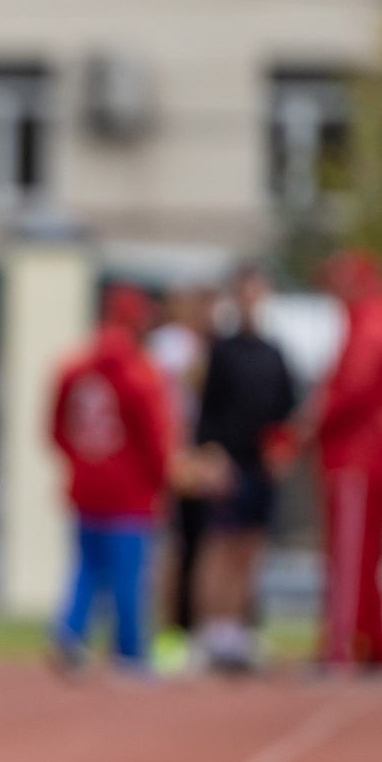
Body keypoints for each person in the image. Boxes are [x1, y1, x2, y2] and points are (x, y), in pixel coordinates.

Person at [295, 249, 382, 673]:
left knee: (350, 553)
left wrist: (312, 426)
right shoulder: (381, 318)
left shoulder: (370, 321)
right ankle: (373, 643)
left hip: (357, 456)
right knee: (366, 554)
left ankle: (342, 645)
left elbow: (354, 388)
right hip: (373, 454)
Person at [48, 283, 173, 673]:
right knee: (128, 575)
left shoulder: (72, 368)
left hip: (86, 485)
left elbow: (55, 428)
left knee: (86, 567)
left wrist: (79, 462)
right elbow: (154, 438)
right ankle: (130, 650)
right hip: (130, 491)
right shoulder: (141, 374)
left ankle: (70, 633)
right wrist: (161, 479)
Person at [191, 264, 299, 674]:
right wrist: (211, 456)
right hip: (228, 464)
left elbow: (287, 413)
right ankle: (210, 632)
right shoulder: (222, 351)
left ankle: (236, 632)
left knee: (250, 549)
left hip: (261, 466)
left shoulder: (275, 353)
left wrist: (283, 452)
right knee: (220, 547)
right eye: (246, 292)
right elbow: (206, 415)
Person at [145, 284, 215, 672]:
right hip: (173, 457)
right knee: (170, 550)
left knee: (199, 547)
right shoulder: (168, 345)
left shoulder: (203, 344)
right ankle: (167, 633)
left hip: (197, 455)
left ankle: (197, 629)